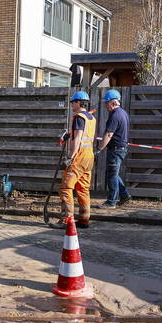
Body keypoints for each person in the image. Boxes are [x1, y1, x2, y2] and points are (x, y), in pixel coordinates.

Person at [59, 91, 97, 227]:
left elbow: (79, 138)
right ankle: (84, 220)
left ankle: (66, 220)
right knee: (83, 189)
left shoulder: (79, 117)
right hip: (89, 157)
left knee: (65, 187)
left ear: (78, 103)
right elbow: (86, 136)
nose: (71, 105)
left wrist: (70, 157)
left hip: (79, 157)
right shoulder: (91, 118)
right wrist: (70, 134)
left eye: (73, 102)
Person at [97, 89, 132, 208]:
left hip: (116, 149)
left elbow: (109, 134)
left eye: (106, 103)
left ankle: (111, 201)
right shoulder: (123, 113)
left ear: (112, 103)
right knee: (114, 173)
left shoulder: (115, 115)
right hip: (121, 148)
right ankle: (125, 195)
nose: (106, 106)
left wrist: (100, 148)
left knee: (111, 175)